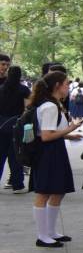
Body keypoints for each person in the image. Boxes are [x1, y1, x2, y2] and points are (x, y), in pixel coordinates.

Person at [28, 71, 83, 248]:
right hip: (48, 152)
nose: (69, 86)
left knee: (58, 191)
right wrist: (70, 129)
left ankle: (50, 232)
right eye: (66, 83)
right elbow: (46, 136)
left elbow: (49, 132)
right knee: (44, 192)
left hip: (54, 149)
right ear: (57, 86)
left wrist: (69, 136)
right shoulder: (50, 106)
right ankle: (43, 235)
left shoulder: (52, 104)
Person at [0, 65, 30, 194]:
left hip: (1, 126)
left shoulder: (0, 89)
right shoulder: (23, 89)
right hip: (16, 126)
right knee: (16, 155)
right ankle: (17, 185)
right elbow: (28, 108)